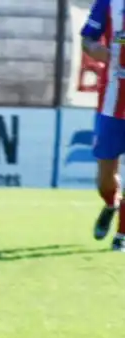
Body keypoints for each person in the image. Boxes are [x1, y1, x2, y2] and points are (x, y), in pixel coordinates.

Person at [82, 0, 125, 249]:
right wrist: (93, 48)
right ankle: (111, 203)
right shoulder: (108, 3)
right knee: (105, 178)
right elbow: (87, 39)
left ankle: (122, 235)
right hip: (111, 104)